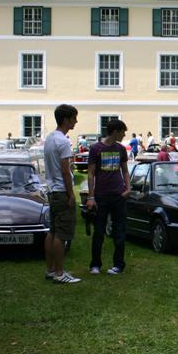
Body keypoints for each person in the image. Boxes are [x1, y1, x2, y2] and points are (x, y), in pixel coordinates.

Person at [86, 119, 131, 276]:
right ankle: (95, 265)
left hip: (119, 196)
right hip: (101, 196)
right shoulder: (95, 148)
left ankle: (118, 265)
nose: (124, 134)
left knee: (120, 232)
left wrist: (128, 188)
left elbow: (125, 170)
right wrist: (91, 196)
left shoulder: (121, 149)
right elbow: (90, 173)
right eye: (122, 131)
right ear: (115, 131)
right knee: (99, 232)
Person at [43, 104, 81, 284]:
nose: (76, 121)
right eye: (74, 118)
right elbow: (66, 171)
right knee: (62, 234)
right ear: (66, 119)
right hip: (61, 191)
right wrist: (71, 194)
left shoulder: (50, 138)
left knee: (52, 231)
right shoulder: (64, 141)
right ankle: (59, 273)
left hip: (52, 190)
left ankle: (51, 270)